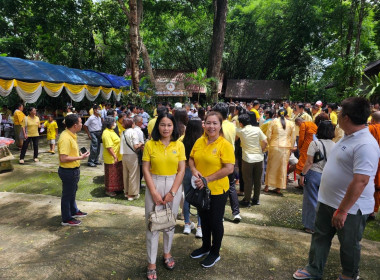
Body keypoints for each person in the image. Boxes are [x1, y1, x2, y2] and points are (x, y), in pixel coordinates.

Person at [293, 97, 380, 280]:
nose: (337, 115)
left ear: (346, 117)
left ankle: (349, 275)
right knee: (320, 237)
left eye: (340, 112)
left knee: (349, 244)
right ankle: (314, 268)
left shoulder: (365, 144)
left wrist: (342, 210)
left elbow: (361, 181)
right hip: (327, 200)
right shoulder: (346, 137)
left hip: (350, 208)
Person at [142, 113, 185, 280]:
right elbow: (146, 168)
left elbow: (181, 170)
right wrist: (153, 191)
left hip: (174, 184)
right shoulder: (150, 145)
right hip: (155, 183)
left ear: (174, 126)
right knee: (152, 224)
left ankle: (167, 253)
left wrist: (173, 192)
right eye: (162, 125)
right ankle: (151, 262)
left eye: (169, 125)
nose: (166, 128)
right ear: (156, 126)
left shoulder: (179, 145)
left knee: (169, 223)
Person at [189, 111, 235, 268]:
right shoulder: (200, 141)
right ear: (204, 124)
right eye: (208, 122)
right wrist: (194, 171)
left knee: (215, 222)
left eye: (215, 123)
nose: (211, 126)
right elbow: (191, 159)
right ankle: (205, 247)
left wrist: (207, 179)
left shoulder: (225, 145)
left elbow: (229, 169)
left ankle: (215, 253)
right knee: (204, 220)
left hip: (217, 191)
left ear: (220, 125)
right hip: (202, 190)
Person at [299, 121, 335, 233]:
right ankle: (322, 226)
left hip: (314, 173)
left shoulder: (315, 144)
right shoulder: (335, 145)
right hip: (327, 175)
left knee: (311, 201)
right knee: (324, 202)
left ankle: (310, 225)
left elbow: (309, 162)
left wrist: (302, 174)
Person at [58, 114, 90, 226]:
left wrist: (79, 154)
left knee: (72, 192)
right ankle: (66, 218)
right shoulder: (65, 138)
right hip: (68, 171)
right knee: (67, 195)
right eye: (81, 122)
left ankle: (73, 210)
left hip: (73, 170)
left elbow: (70, 153)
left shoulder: (71, 135)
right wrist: (80, 158)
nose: (82, 124)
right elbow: (63, 157)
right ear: (75, 125)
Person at [212, 103, 241, 222]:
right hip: (231, 158)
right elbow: (237, 138)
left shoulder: (216, 125)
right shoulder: (232, 125)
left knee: (220, 187)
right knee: (231, 186)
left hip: (218, 159)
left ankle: (220, 214)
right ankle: (236, 213)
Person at [236, 114, 267, 207]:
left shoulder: (241, 131)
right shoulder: (257, 129)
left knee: (248, 180)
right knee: (257, 180)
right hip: (259, 158)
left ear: (241, 123)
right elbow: (265, 141)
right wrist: (261, 150)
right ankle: (256, 199)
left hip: (247, 159)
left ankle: (247, 200)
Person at [264, 109, 295, 195]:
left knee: (271, 166)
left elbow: (268, 135)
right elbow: (293, 138)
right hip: (285, 147)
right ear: (286, 115)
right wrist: (291, 147)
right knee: (282, 168)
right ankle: (278, 188)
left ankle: (267, 186)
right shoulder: (291, 123)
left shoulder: (273, 122)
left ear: (277, 114)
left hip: (274, 146)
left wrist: (269, 145)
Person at [182, 117, 203, 237]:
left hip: (186, 171)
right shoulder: (202, 141)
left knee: (187, 197)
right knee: (201, 198)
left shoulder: (183, 140)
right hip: (199, 172)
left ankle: (187, 224)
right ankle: (200, 227)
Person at [120, 118, 143, 200]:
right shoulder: (133, 132)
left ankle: (126, 192)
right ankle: (132, 194)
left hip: (124, 155)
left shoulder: (122, 132)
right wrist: (141, 144)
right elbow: (135, 146)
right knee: (133, 175)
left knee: (126, 174)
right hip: (132, 155)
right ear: (132, 124)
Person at [102, 117, 123, 197]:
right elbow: (109, 147)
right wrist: (114, 156)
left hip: (117, 156)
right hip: (111, 157)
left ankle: (117, 188)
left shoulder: (112, 131)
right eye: (113, 122)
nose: (115, 124)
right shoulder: (106, 133)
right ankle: (109, 190)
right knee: (111, 174)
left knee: (117, 173)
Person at [368, 111, 380, 220]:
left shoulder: (371, 128)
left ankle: (370, 211)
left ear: (372, 120)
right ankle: (374, 210)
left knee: (371, 185)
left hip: (372, 162)